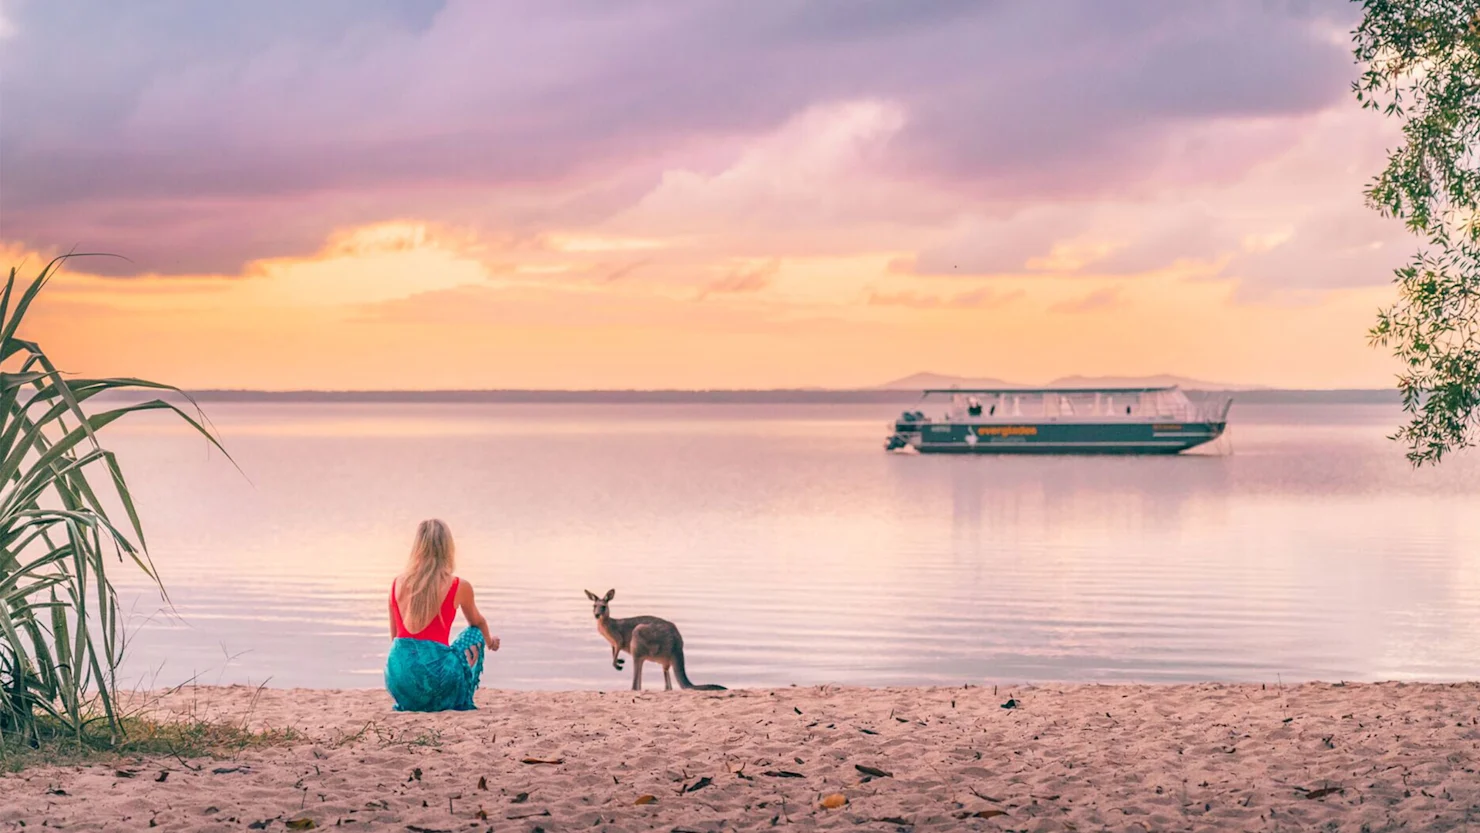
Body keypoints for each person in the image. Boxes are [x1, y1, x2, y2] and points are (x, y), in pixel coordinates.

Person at [384, 519, 500, 711]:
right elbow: (478, 622)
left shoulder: (396, 583)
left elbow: (395, 638)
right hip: (436, 680)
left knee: (406, 650)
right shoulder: (458, 586)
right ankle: (461, 697)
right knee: (474, 633)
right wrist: (489, 641)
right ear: (448, 547)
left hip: (398, 680)